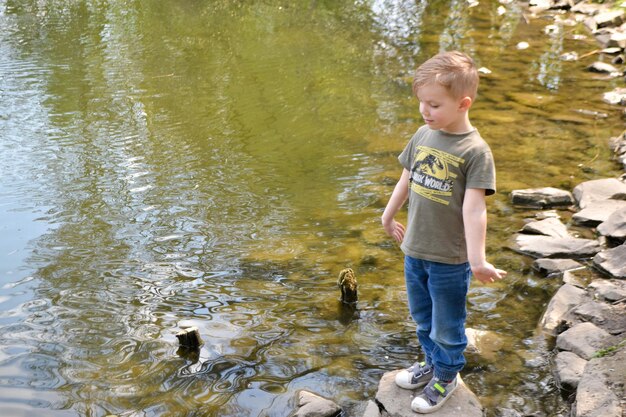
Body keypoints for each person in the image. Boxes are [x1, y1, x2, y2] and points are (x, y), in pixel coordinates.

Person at [381, 50, 507, 414]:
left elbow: (475, 208)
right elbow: (406, 179)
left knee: (447, 325)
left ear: (463, 103)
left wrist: (477, 259)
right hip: (415, 250)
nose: (425, 111)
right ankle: (431, 364)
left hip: (450, 261)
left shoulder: (475, 152)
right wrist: (388, 217)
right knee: (422, 317)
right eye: (422, 102)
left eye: (434, 104)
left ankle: (447, 375)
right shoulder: (423, 134)